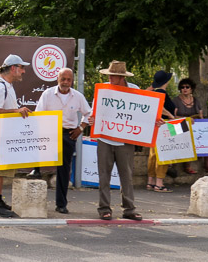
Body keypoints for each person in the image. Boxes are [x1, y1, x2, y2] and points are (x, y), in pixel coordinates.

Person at [90, 60, 163, 221]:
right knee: (104, 175)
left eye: (113, 76)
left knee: (127, 175)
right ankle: (104, 208)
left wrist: (155, 121)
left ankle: (129, 209)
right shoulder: (103, 90)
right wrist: (91, 119)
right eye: (109, 75)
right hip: (105, 138)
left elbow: (144, 112)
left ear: (121, 77)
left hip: (125, 139)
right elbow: (95, 111)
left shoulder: (134, 90)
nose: (110, 78)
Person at [34, 68, 91, 214]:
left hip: (69, 134)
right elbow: (38, 114)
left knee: (64, 170)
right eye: (63, 79)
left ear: (72, 81)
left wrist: (81, 127)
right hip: (50, 132)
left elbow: (89, 113)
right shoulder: (47, 94)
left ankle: (61, 204)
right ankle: (36, 170)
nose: (66, 82)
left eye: (69, 79)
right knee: (37, 158)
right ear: (57, 79)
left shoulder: (77, 96)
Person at [0, 54, 32, 218]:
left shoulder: (6, 85)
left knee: (1, 167)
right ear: (13, 68)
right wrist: (16, 111)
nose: (24, 71)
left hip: (6, 133)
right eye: (22, 68)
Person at [174, 78, 208, 174]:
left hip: (195, 126)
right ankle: (187, 166)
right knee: (187, 139)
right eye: (183, 87)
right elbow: (174, 116)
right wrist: (186, 119)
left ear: (191, 89)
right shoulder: (176, 100)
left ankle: (207, 165)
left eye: (187, 87)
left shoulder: (196, 100)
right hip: (181, 126)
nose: (185, 89)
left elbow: (200, 115)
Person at [147, 70, 177, 193]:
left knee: (153, 155)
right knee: (164, 153)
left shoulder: (153, 92)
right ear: (167, 81)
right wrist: (170, 115)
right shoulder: (161, 93)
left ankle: (151, 181)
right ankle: (159, 183)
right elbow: (160, 106)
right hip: (164, 125)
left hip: (155, 126)